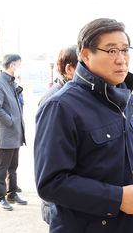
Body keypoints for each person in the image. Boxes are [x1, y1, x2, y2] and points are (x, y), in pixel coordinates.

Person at [35, 18, 133, 232]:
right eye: (111, 51)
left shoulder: (131, 102)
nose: (121, 60)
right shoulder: (61, 106)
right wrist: (117, 198)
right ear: (85, 54)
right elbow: (51, 183)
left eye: (125, 50)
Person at [38, 45, 78, 224]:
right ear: (69, 69)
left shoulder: (76, 96)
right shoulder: (55, 100)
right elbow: (49, 159)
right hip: (58, 203)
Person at [0, 54, 27, 210]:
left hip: (16, 132)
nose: (20, 68)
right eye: (19, 64)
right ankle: (0, 197)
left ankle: (12, 193)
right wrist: (10, 121)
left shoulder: (11, 82)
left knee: (13, 165)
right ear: (12, 65)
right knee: (2, 166)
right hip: (7, 132)